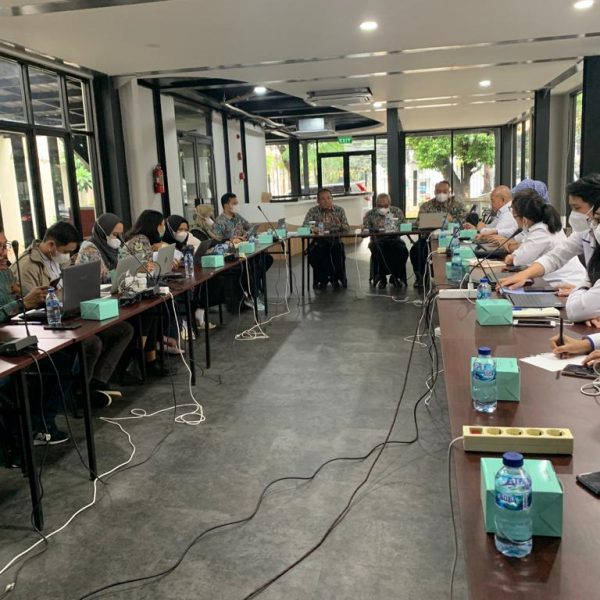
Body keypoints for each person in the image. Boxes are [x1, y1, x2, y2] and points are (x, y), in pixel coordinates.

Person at [0, 228, 70, 444]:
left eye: (4, 246)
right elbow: (13, 307)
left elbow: (10, 306)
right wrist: (22, 303)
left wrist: (26, 296)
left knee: (63, 357)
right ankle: (21, 436)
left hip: (13, 337)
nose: (4, 252)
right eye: (0, 247)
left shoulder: (5, 272)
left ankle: (42, 423)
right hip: (5, 348)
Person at [501, 174, 600, 324]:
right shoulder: (586, 233)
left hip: (576, 291)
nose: (574, 213)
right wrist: (525, 274)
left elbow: (577, 310)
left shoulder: (542, 229)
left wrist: (582, 291)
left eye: (577, 208)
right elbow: (555, 257)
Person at [505, 189, 586, 286]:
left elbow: (520, 260)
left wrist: (513, 258)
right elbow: (551, 258)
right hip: (556, 279)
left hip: (567, 282)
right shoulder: (541, 226)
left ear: (525, 220)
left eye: (577, 207)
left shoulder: (542, 230)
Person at [213, 193, 273, 309]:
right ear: (226, 205)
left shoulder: (237, 217)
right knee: (249, 267)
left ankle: (252, 286)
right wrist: (232, 240)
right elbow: (217, 243)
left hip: (245, 250)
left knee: (267, 259)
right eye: (234, 203)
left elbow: (249, 227)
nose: (237, 205)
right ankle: (251, 296)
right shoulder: (219, 222)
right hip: (231, 255)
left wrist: (246, 234)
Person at [163, 215, 220, 330]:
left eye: (185, 229)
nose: (183, 232)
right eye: (180, 229)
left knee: (208, 281)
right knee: (186, 289)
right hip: (171, 279)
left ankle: (199, 318)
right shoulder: (163, 244)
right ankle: (184, 325)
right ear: (171, 229)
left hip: (186, 273)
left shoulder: (186, 241)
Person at [409, 180, 465, 288]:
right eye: (439, 191)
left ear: (449, 192)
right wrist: (433, 221)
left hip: (451, 239)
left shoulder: (457, 205)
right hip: (429, 239)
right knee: (415, 251)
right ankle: (420, 277)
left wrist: (452, 219)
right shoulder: (426, 206)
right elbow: (418, 223)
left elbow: (464, 222)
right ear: (434, 192)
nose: (441, 194)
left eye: (444, 191)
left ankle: (449, 278)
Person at [11, 221, 80, 291]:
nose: (68, 256)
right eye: (65, 252)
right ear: (51, 245)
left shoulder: (55, 257)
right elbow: (31, 297)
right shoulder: (27, 267)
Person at [302, 188, 349, 290]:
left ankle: (334, 278)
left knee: (337, 254)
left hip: (335, 242)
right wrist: (312, 229)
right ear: (318, 201)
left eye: (328, 198)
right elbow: (304, 226)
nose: (326, 201)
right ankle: (323, 278)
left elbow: (346, 228)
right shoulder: (313, 211)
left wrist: (340, 225)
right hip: (319, 243)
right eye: (323, 199)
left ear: (332, 199)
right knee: (314, 255)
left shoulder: (339, 210)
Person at [362, 193, 408, 288]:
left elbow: (405, 227)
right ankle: (382, 278)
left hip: (394, 239)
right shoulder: (370, 214)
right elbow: (365, 229)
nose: (383, 207)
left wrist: (395, 227)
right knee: (379, 251)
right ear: (376, 205)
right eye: (380, 205)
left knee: (403, 251)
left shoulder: (397, 211)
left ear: (389, 203)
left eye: (385, 205)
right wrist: (370, 229)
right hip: (377, 241)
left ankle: (395, 276)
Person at [76, 212, 125, 283]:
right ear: (103, 232)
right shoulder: (89, 248)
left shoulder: (113, 246)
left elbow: (123, 264)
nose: (118, 239)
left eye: (120, 235)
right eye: (115, 234)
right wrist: (123, 272)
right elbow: (101, 277)